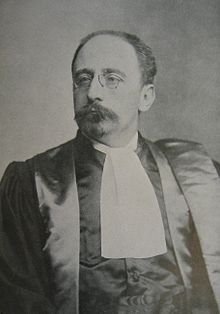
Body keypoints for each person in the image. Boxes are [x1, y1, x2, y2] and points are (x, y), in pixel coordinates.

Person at [0, 30, 219, 314]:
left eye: (112, 79)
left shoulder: (198, 175)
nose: (93, 93)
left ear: (146, 97)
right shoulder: (32, 183)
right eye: (83, 79)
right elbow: (17, 297)